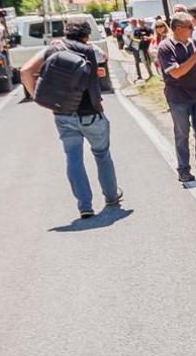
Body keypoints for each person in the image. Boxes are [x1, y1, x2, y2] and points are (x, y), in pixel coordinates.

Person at [18, 19, 121, 218]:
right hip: (91, 112)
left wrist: (38, 96)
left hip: (63, 113)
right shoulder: (90, 49)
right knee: (102, 155)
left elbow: (25, 71)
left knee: (74, 158)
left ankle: (85, 206)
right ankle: (111, 196)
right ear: (86, 34)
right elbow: (105, 58)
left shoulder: (52, 48)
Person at [156, 11, 196, 184]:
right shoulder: (165, 47)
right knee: (182, 134)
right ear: (177, 28)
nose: (193, 29)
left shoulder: (194, 42)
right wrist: (195, 57)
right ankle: (184, 170)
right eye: (190, 26)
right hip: (178, 97)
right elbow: (176, 72)